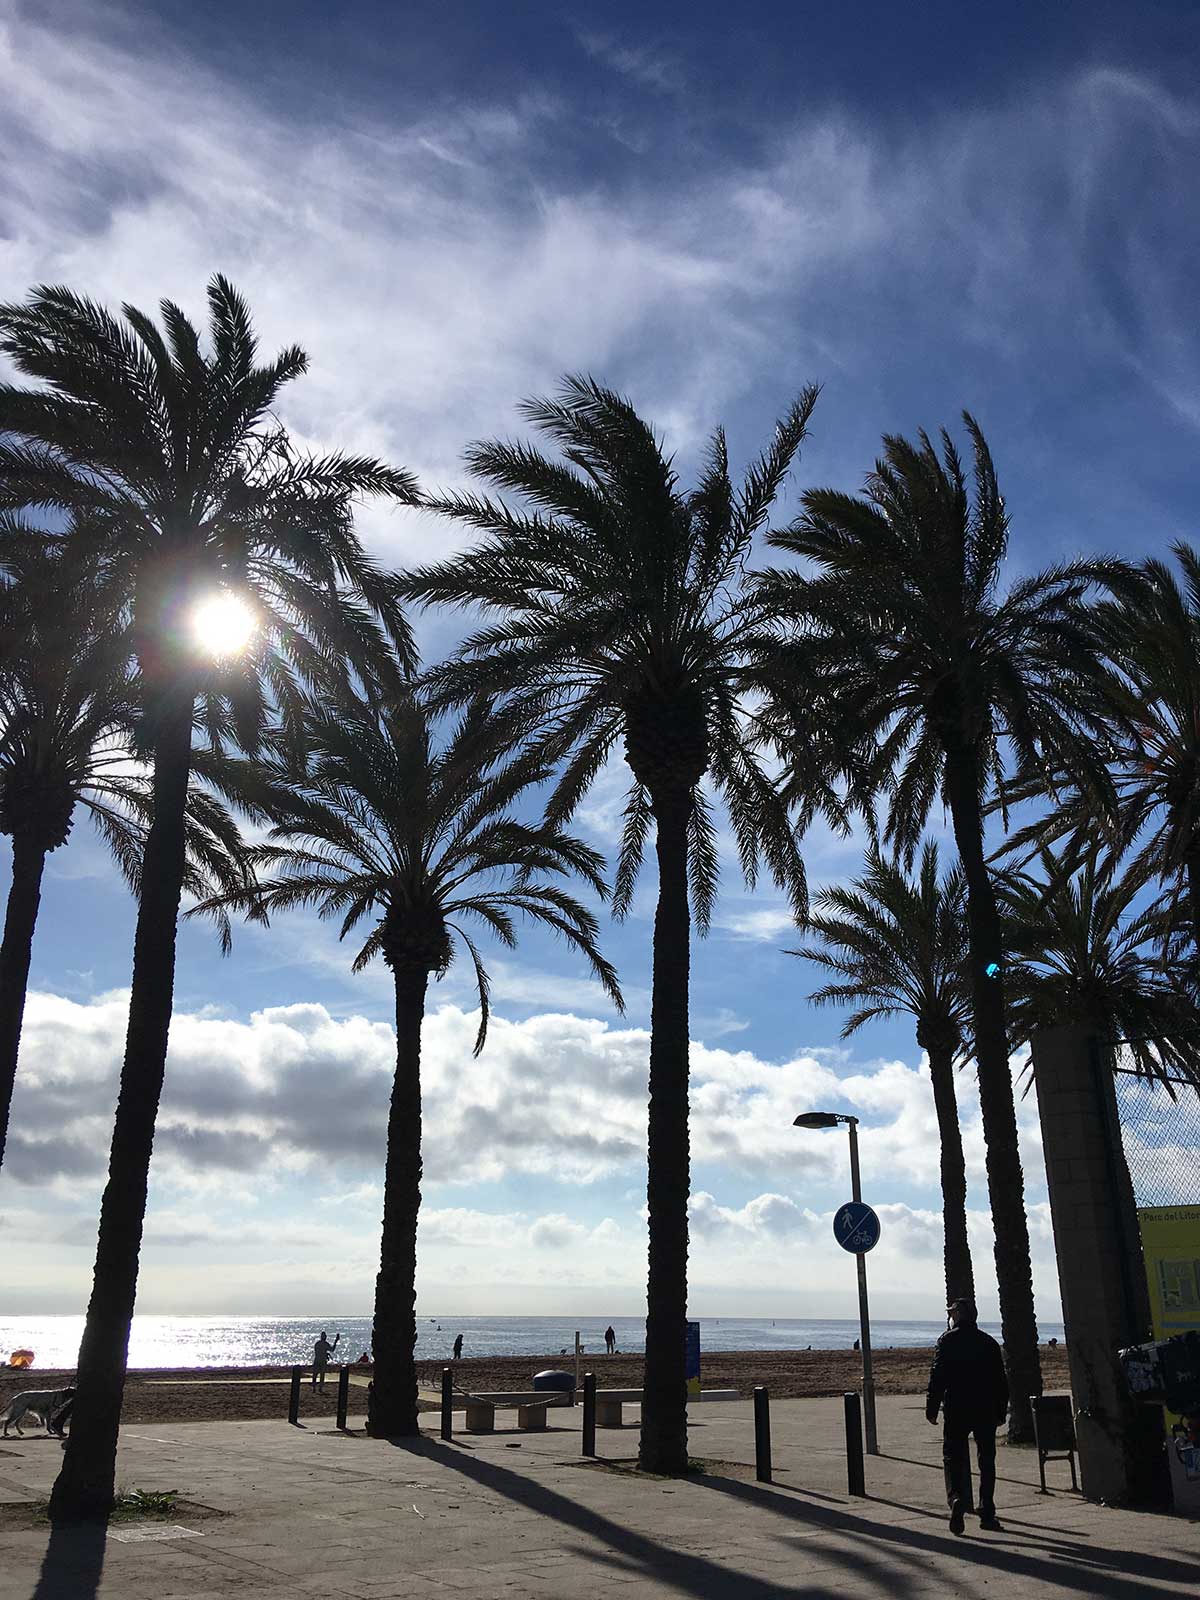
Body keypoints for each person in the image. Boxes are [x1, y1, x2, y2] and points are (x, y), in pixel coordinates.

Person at [926, 1298, 1009, 1534]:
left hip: (957, 1407)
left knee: (953, 1457)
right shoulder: (988, 1342)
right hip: (985, 1408)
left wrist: (932, 1408)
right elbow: (1001, 1381)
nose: (949, 1317)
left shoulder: (947, 1340)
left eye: (951, 1313)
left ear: (959, 1314)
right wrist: (1001, 1411)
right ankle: (987, 1512)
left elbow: (937, 1375)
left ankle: (956, 1499)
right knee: (987, 1460)